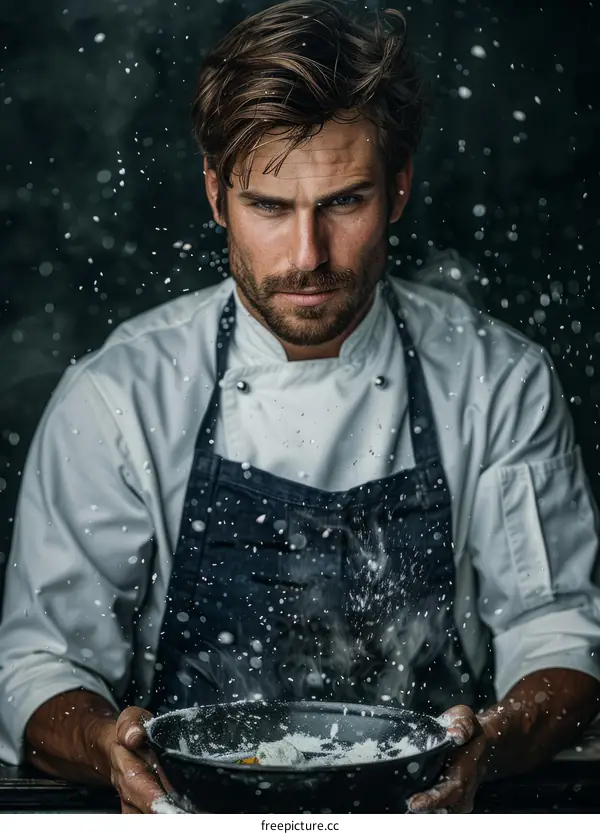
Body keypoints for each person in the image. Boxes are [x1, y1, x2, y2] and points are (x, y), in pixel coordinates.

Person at [0, 0, 599, 815]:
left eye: (344, 203)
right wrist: (107, 747)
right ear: (217, 196)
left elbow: (560, 636)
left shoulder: (498, 380)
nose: (307, 256)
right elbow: (40, 669)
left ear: (398, 187)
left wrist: (490, 742)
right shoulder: (120, 396)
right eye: (270, 208)